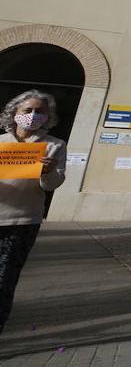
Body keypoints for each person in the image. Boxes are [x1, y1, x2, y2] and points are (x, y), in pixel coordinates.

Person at [0, 90, 66, 334]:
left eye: (40, 111)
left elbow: (51, 186)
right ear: (14, 113)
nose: (33, 115)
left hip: (22, 221)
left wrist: (48, 172)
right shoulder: (1, 143)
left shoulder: (54, 146)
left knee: (4, 280)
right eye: (28, 110)